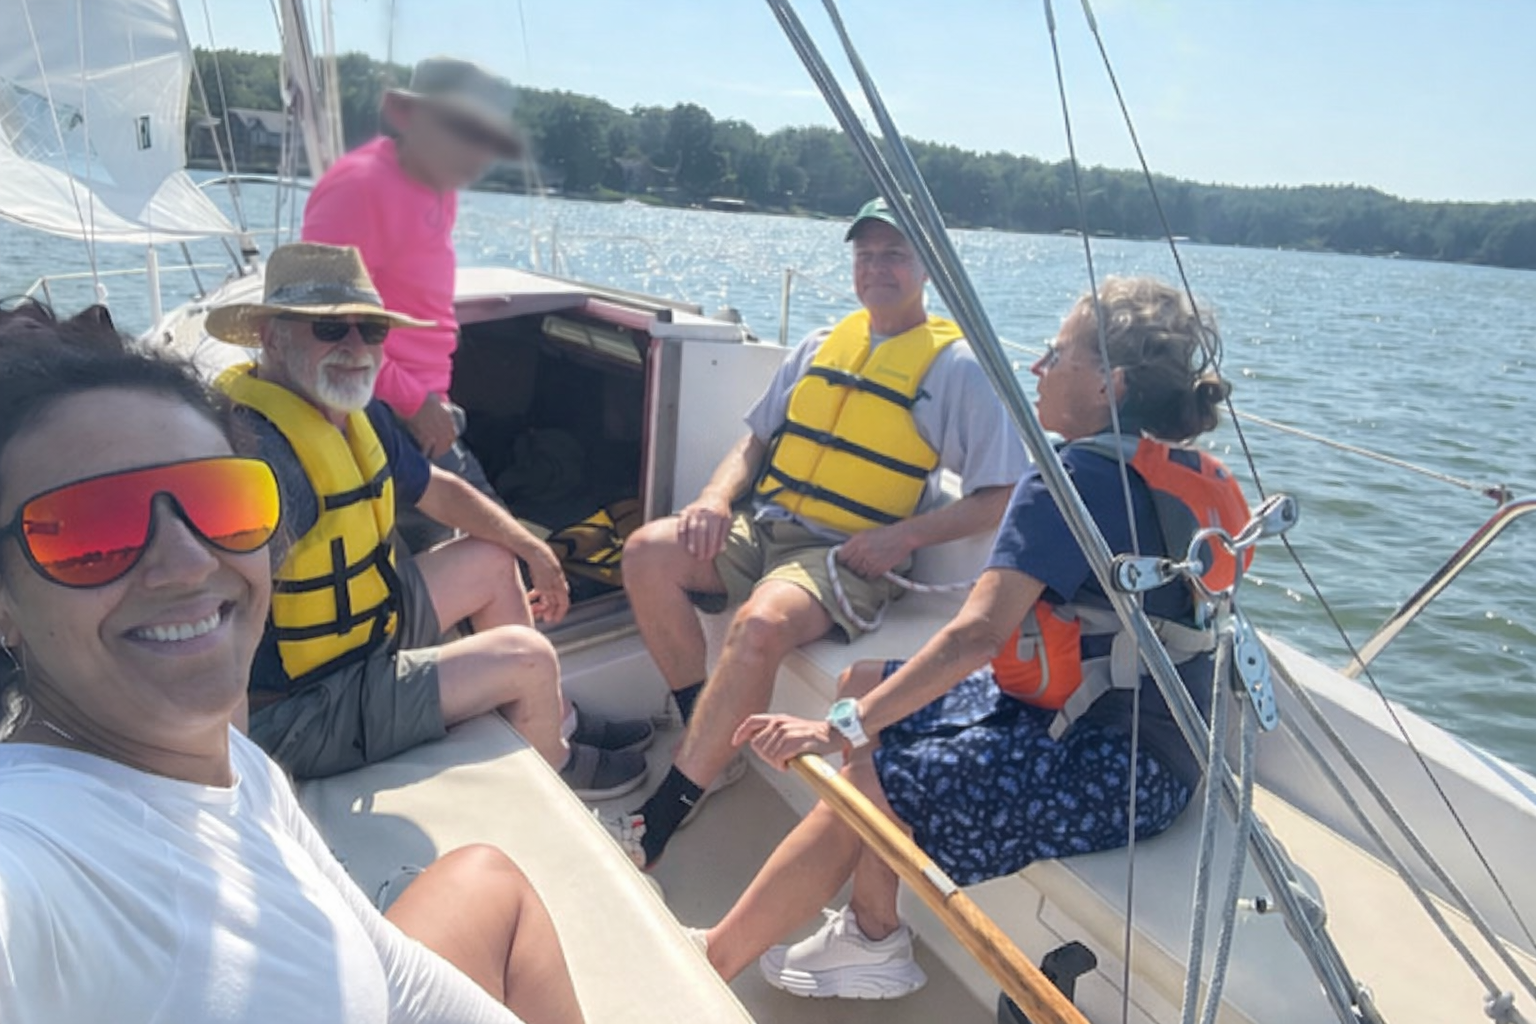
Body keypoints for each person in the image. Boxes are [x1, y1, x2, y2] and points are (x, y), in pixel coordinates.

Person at [0, 302, 584, 1024]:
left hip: (352, 659)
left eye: (220, 503)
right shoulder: (33, 861)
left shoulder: (240, 774)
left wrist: (530, 546)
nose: (185, 562)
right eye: (92, 529)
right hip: (313, 697)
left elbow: (391, 977)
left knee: (488, 879)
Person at [698, 276, 1249, 999]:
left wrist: (834, 732)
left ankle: (713, 958)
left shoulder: (1071, 477)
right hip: (1147, 740)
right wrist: (854, 715)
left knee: (868, 785)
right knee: (861, 682)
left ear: (1109, 384)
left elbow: (977, 637)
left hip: (1112, 763)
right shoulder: (1188, 478)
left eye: (1056, 355)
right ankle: (874, 935)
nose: (1036, 369)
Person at [615, 198, 1029, 868]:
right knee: (646, 552)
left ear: (928, 267)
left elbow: (1002, 493)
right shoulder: (818, 345)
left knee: (759, 625)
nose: (877, 267)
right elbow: (754, 443)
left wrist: (906, 538)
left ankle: (672, 804)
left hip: (842, 558)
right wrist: (717, 498)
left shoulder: (957, 369)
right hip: (765, 528)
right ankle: (709, 741)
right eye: (865, 254)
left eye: (894, 253)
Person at [206, 242, 650, 798]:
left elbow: (437, 490)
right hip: (301, 710)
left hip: (362, 639)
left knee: (491, 557)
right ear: (272, 335)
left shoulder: (351, 410)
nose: (354, 347)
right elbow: (214, 617)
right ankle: (554, 765)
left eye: (370, 330)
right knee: (530, 658)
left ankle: (550, 719)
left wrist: (534, 552)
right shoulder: (263, 458)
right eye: (329, 330)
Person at [302, 56, 518, 488]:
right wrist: (415, 404)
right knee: (499, 547)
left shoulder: (439, 186)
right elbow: (317, 323)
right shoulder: (360, 188)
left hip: (419, 405)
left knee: (486, 543)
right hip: (375, 411)